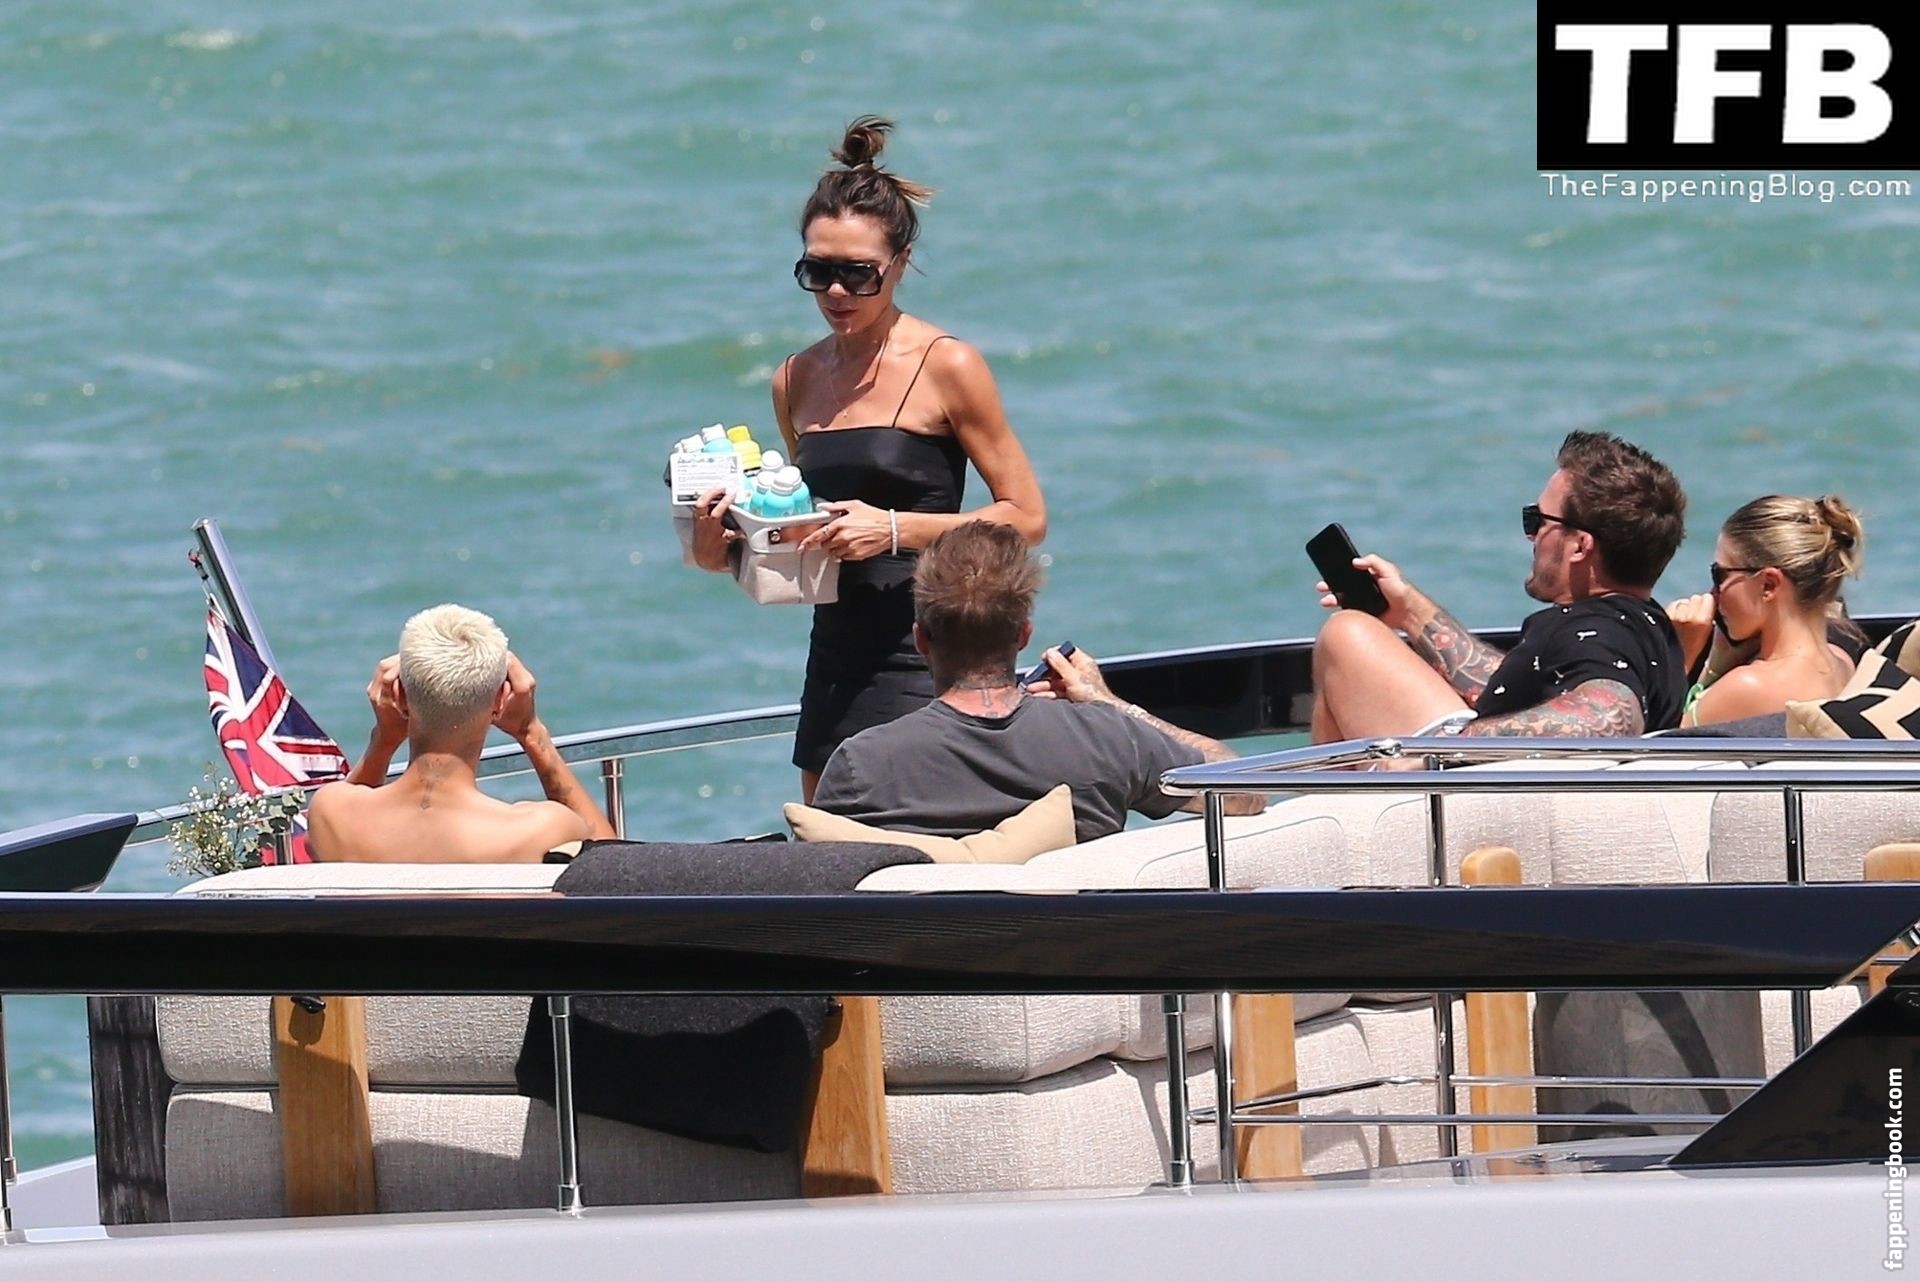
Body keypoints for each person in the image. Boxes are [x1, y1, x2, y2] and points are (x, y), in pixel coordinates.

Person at [689, 117, 1046, 802]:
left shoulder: (948, 365)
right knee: (828, 837)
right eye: (818, 271)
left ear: (900, 265)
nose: (836, 292)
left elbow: (1026, 518)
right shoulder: (794, 378)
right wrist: (722, 551)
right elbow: (798, 541)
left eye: (858, 274)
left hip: (935, 649)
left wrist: (891, 529)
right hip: (835, 656)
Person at [811, 522, 1262, 842]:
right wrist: (1112, 705)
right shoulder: (1108, 740)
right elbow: (1244, 791)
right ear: (1023, 635)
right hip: (1077, 949)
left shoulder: (862, 766)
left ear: (921, 639)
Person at [1310, 431, 1688, 740]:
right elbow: (1511, 690)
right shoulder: (1642, 629)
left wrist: (1446, 749)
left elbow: (1609, 716)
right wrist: (1408, 610)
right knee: (1355, 640)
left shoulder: (1599, 630)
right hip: (1507, 787)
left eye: (1538, 521)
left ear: (1579, 546)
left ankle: (1319, 804)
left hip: (1470, 791)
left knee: (1348, 633)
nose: (1531, 536)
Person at [307, 604, 615, 863]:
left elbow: (347, 811)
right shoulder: (541, 830)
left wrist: (384, 740)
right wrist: (532, 732)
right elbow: (615, 867)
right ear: (500, 701)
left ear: (399, 697)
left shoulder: (330, 813)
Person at [1665, 495, 1866, 727]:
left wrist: (1682, 656)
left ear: (1768, 585)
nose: (1713, 593)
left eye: (1720, 575)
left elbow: (1651, 742)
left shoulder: (1747, 687)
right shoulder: (1842, 662)